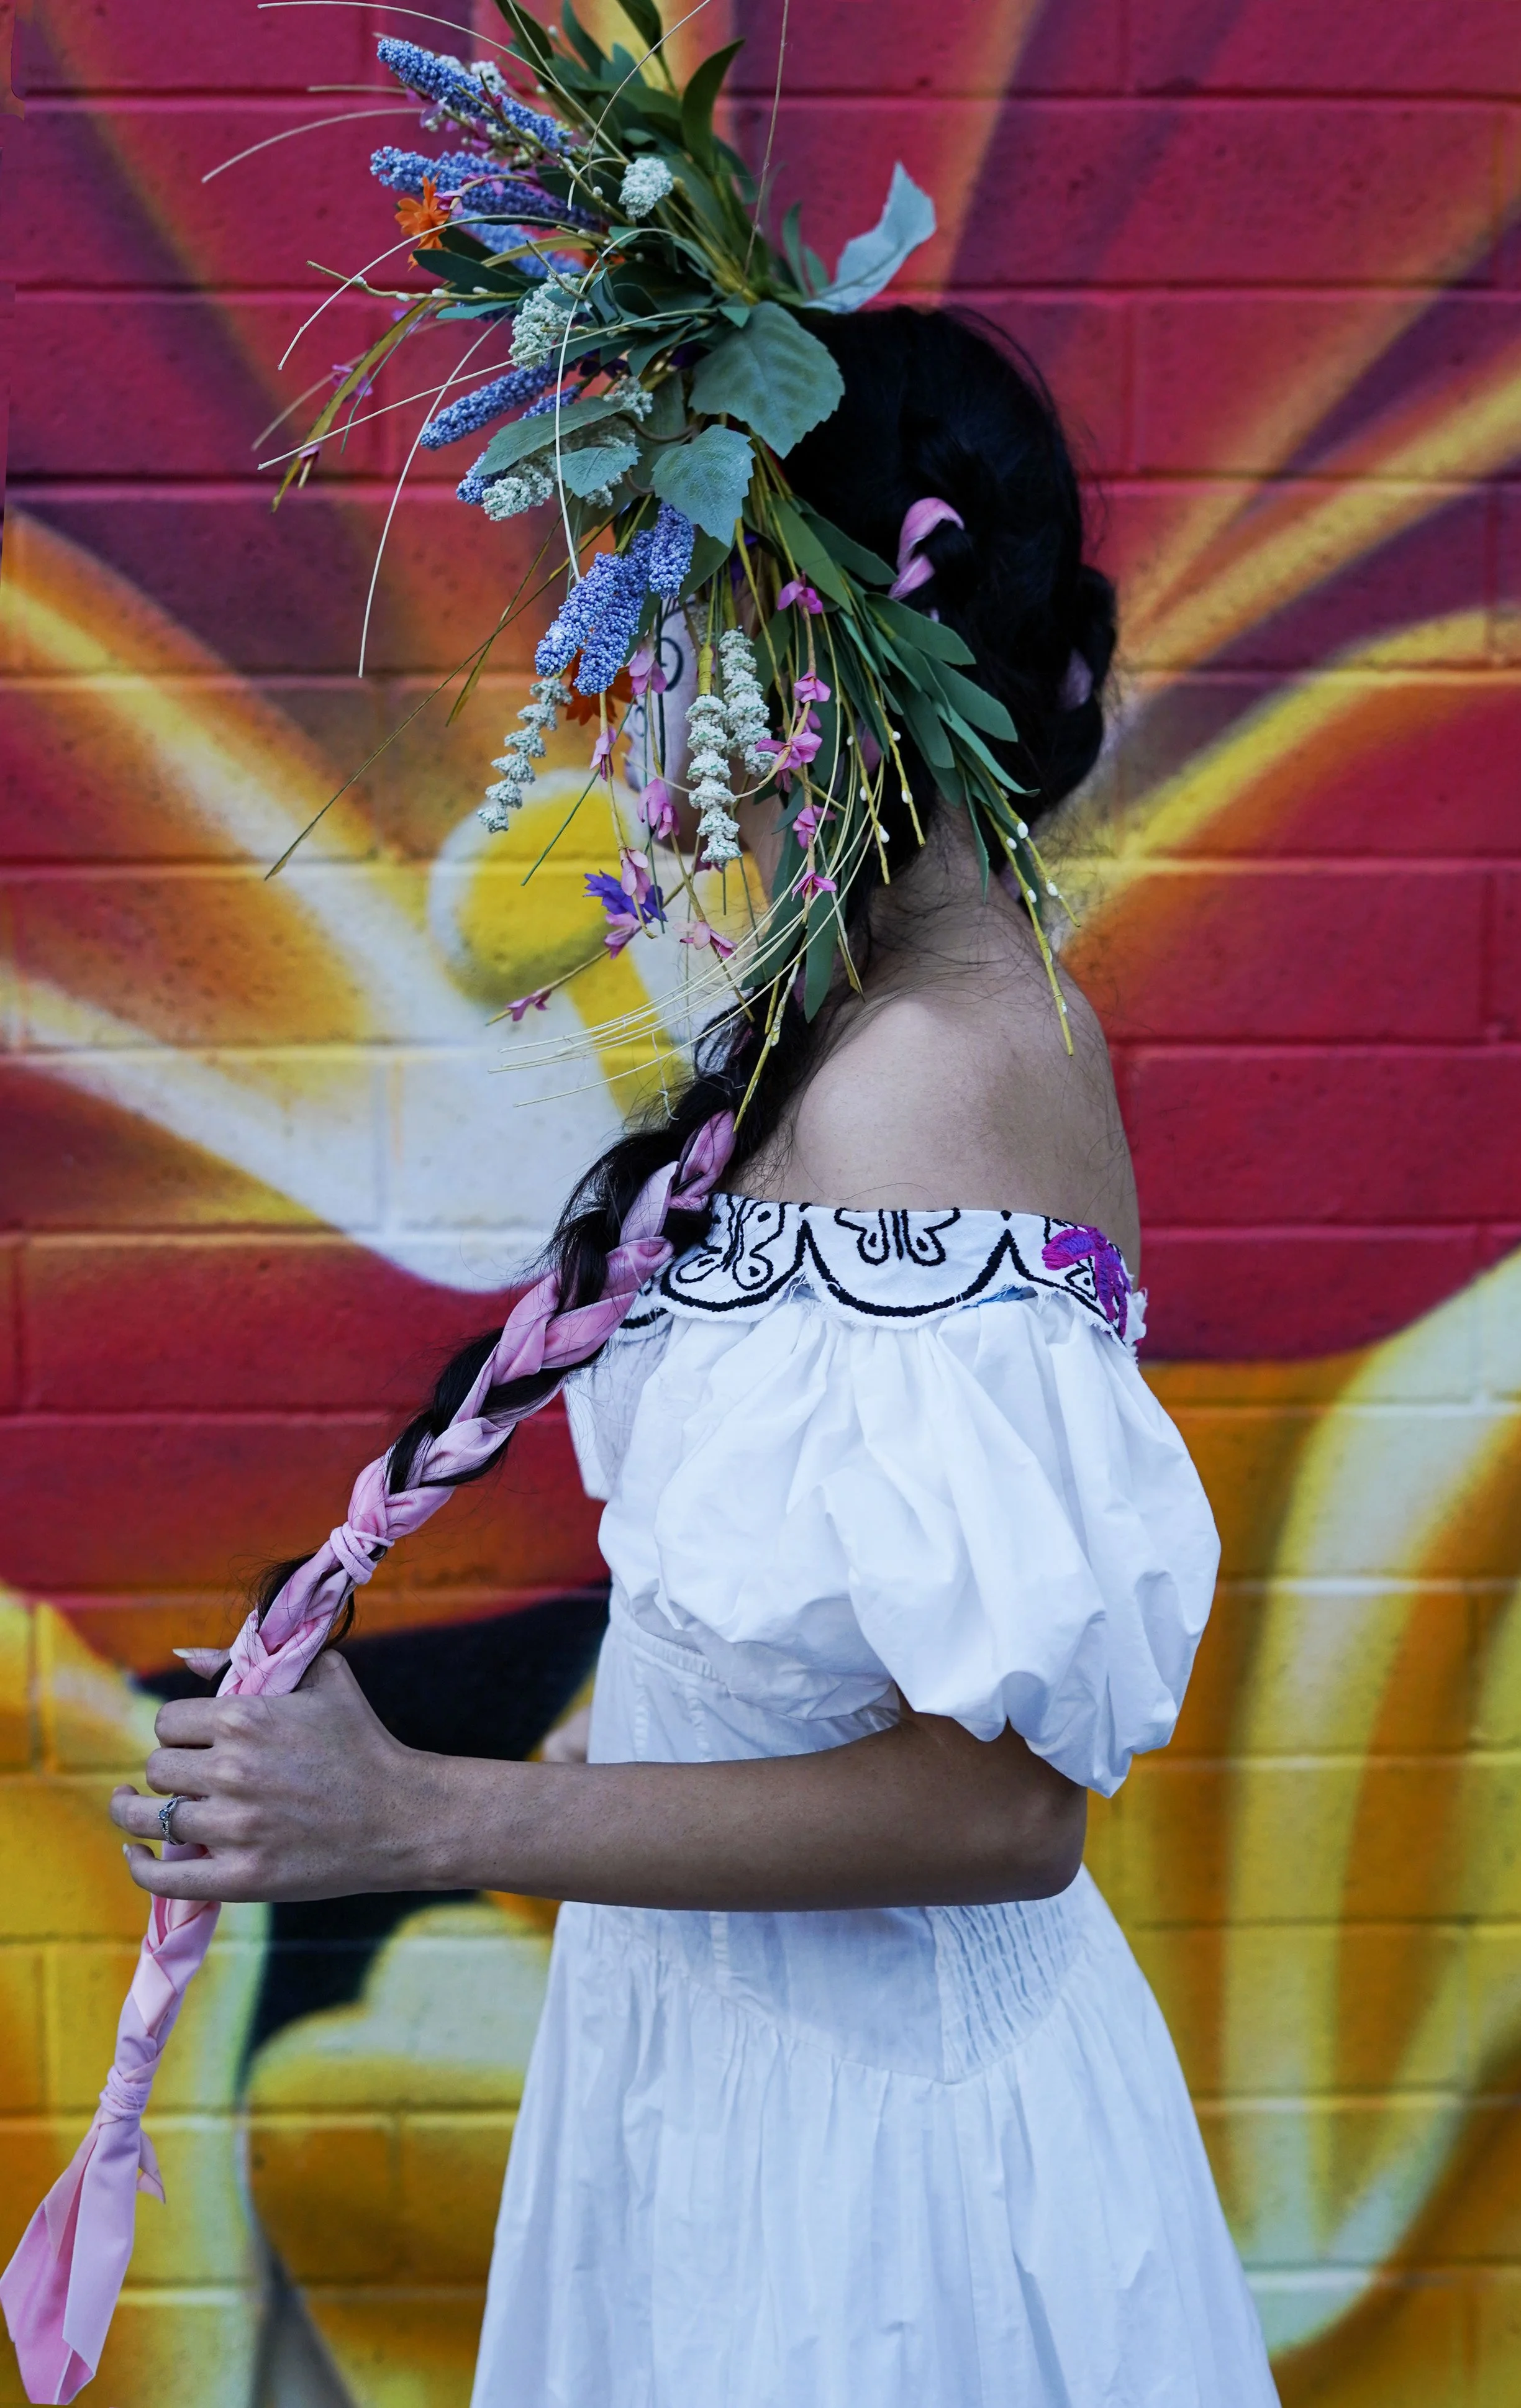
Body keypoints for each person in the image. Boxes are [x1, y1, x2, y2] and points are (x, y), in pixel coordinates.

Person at [112, 310, 1279, 2405]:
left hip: (880, 2205)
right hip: (730, 2103)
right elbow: (826, 1657)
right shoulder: (841, 1021)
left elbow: (998, 1811)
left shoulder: (935, 1076)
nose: (624, 688)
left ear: (818, 637)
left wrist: (410, 1814)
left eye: (679, 607)